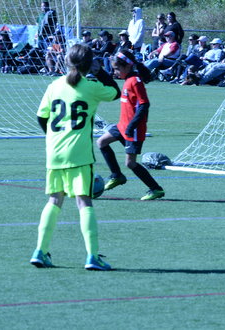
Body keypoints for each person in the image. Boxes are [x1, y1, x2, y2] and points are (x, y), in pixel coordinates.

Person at [31, 44, 121, 270]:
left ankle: (40, 251)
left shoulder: (54, 85)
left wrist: (53, 137)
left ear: (66, 62)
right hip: (78, 152)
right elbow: (115, 92)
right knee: (84, 202)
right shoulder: (91, 86)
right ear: (89, 64)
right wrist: (100, 70)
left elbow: (41, 117)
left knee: (54, 200)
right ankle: (92, 256)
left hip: (54, 151)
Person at [97, 50, 165, 200]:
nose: (115, 72)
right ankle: (117, 175)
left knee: (130, 163)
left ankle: (156, 189)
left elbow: (144, 105)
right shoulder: (128, 79)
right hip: (122, 126)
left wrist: (132, 126)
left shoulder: (135, 81)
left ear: (127, 66)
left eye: (117, 69)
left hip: (133, 129)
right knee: (102, 142)